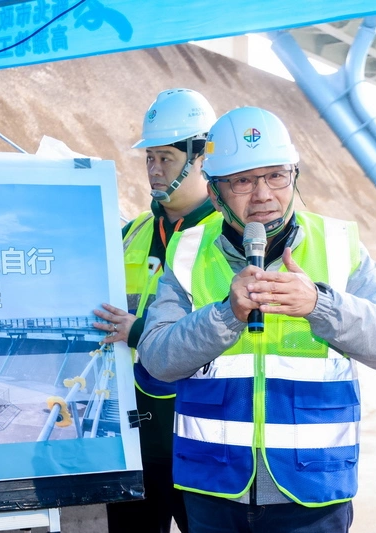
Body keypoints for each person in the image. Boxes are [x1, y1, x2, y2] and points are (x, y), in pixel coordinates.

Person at [137, 106, 376, 533]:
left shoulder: (339, 245)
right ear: (215, 193)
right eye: (243, 181)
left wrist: (320, 304)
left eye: (276, 176)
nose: (263, 195)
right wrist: (225, 315)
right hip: (213, 491)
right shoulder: (188, 252)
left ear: (294, 176)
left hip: (314, 491)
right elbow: (157, 358)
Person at [93, 88, 219, 533]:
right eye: (150, 157)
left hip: (203, 439)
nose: (154, 169)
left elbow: (228, 328)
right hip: (134, 442)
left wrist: (139, 330)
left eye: (166, 157)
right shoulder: (130, 234)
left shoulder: (227, 238)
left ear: (201, 156)